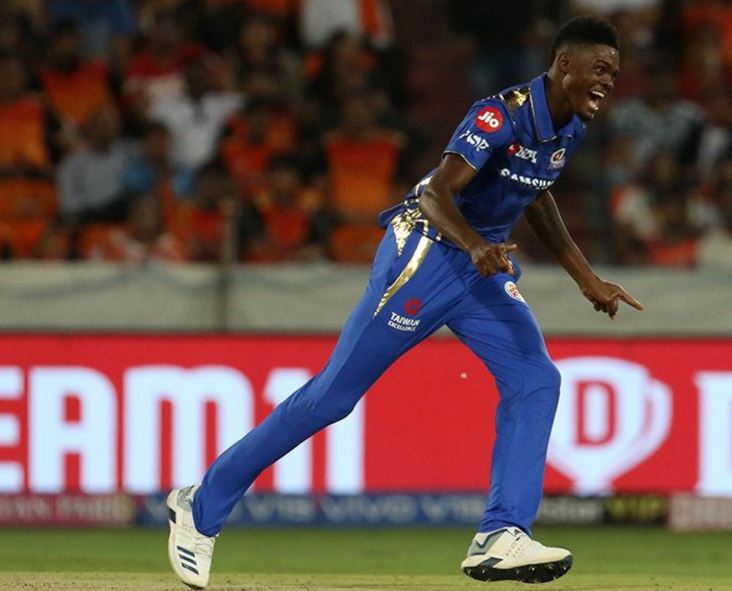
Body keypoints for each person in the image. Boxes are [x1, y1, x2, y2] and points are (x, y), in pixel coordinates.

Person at [166, 16, 642, 589]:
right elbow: (434, 192)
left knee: (536, 379)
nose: (607, 81)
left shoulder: (571, 128)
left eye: (613, 73)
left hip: (481, 269)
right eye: (599, 69)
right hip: (428, 253)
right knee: (332, 397)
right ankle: (200, 505)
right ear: (564, 64)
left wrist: (585, 277)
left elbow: (535, 194)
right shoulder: (499, 115)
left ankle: (501, 534)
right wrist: (475, 246)